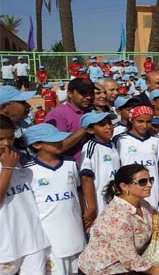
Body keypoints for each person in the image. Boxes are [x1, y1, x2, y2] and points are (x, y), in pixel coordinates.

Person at [78, 164, 159, 274]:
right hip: (104, 269)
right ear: (124, 186)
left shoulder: (143, 205)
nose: (149, 185)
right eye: (143, 182)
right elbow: (129, 259)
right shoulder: (117, 217)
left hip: (131, 264)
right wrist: (158, 272)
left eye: (150, 180)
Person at [22, 124, 86, 274]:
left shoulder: (70, 163)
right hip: (51, 240)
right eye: (53, 141)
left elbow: (78, 191)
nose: (60, 143)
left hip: (75, 233)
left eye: (60, 139)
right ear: (37, 145)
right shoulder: (27, 170)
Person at [0, 115, 50, 275]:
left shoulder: (20, 159)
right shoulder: (10, 163)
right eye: (1, 138)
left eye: (10, 137)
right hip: (5, 248)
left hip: (34, 240)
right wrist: (7, 169)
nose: (6, 143)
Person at [113, 105, 159, 208]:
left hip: (151, 190)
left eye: (148, 122)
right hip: (129, 189)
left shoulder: (156, 140)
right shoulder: (120, 140)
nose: (144, 125)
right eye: (140, 121)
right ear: (132, 120)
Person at [79, 112, 120, 227]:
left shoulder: (112, 144)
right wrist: (92, 207)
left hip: (114, 199)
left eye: (110, 123)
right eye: (102, 125)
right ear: (91, 130)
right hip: (100, 202)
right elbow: (86, 177)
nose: (109, 127)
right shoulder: (91, 147)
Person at [44, 78, 93, 164]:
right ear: (70, 94)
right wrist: (84, 128)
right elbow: (55, 148)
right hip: (72, 170)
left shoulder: (92, 111)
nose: (88, 97)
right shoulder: (57, 115)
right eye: (83, 93)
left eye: (91, 93)